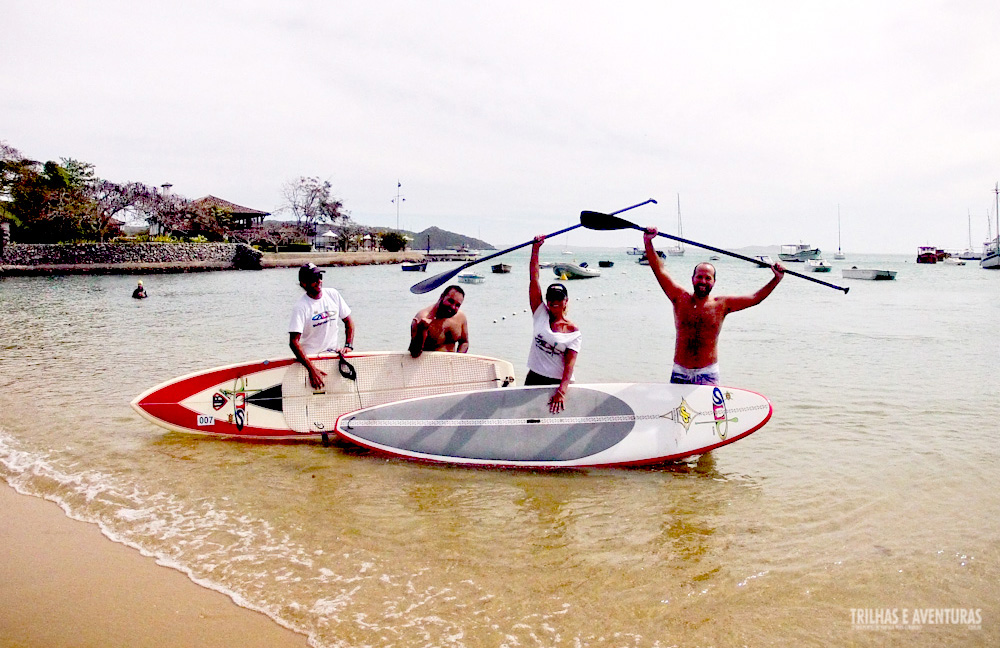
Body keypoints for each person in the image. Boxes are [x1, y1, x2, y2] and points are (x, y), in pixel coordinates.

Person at [642, 227, 784, 385]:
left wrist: (776, 279)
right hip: (680, 372)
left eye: (707, 278)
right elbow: (658, 269)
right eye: (699, 277)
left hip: (707, 373)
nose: (703, 281)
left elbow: (755, 298)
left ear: (714, 282)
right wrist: (648, 241)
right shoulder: (678, 298)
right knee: (679, 410)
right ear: (693, 279)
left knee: (711, 411)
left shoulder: (722, 305)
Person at [527, 235, 582, 413]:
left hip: (555, 383)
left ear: (566, 301)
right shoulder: (540, 313)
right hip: (534, 377)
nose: (554, 301)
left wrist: (561, 391)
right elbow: (534, 279)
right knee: (528, 418)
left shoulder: (573, 331)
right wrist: (536, 249)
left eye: (559, 298)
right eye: (551, 298)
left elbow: (569, 366)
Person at [288, 263, 355, 389]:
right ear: (304, 283)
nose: (319, 281)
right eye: (313, 279)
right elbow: (293, 342)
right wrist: (312, 370)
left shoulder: (333, 294)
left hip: (333, 356)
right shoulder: (301, 307)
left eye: (320, 276)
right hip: (311, 360)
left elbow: (349, 322)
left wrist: (348, 346)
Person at [409, 285, 469, 358]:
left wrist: (457, 359)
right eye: (450, 301)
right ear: (442, 297)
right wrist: (421, 331)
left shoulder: (461, 317)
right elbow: (414, 353)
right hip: (425, 365)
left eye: (457, 305)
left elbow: (464, 342)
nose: (453, 307)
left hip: (449, 365)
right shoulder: (422, 318)